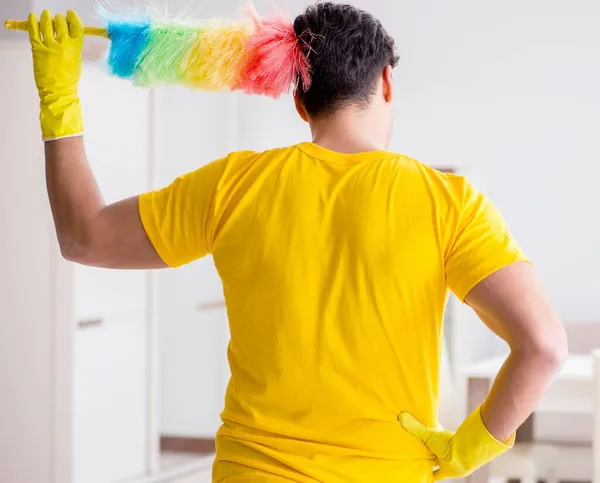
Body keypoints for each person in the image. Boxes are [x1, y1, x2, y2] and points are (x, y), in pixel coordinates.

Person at [25, 3, 567, 482]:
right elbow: (543, 346)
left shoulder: (234, 184)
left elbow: (84, 237)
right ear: (385, 82)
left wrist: (59, 101)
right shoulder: (448, 201)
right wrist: (465, 450)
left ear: (301, 104)